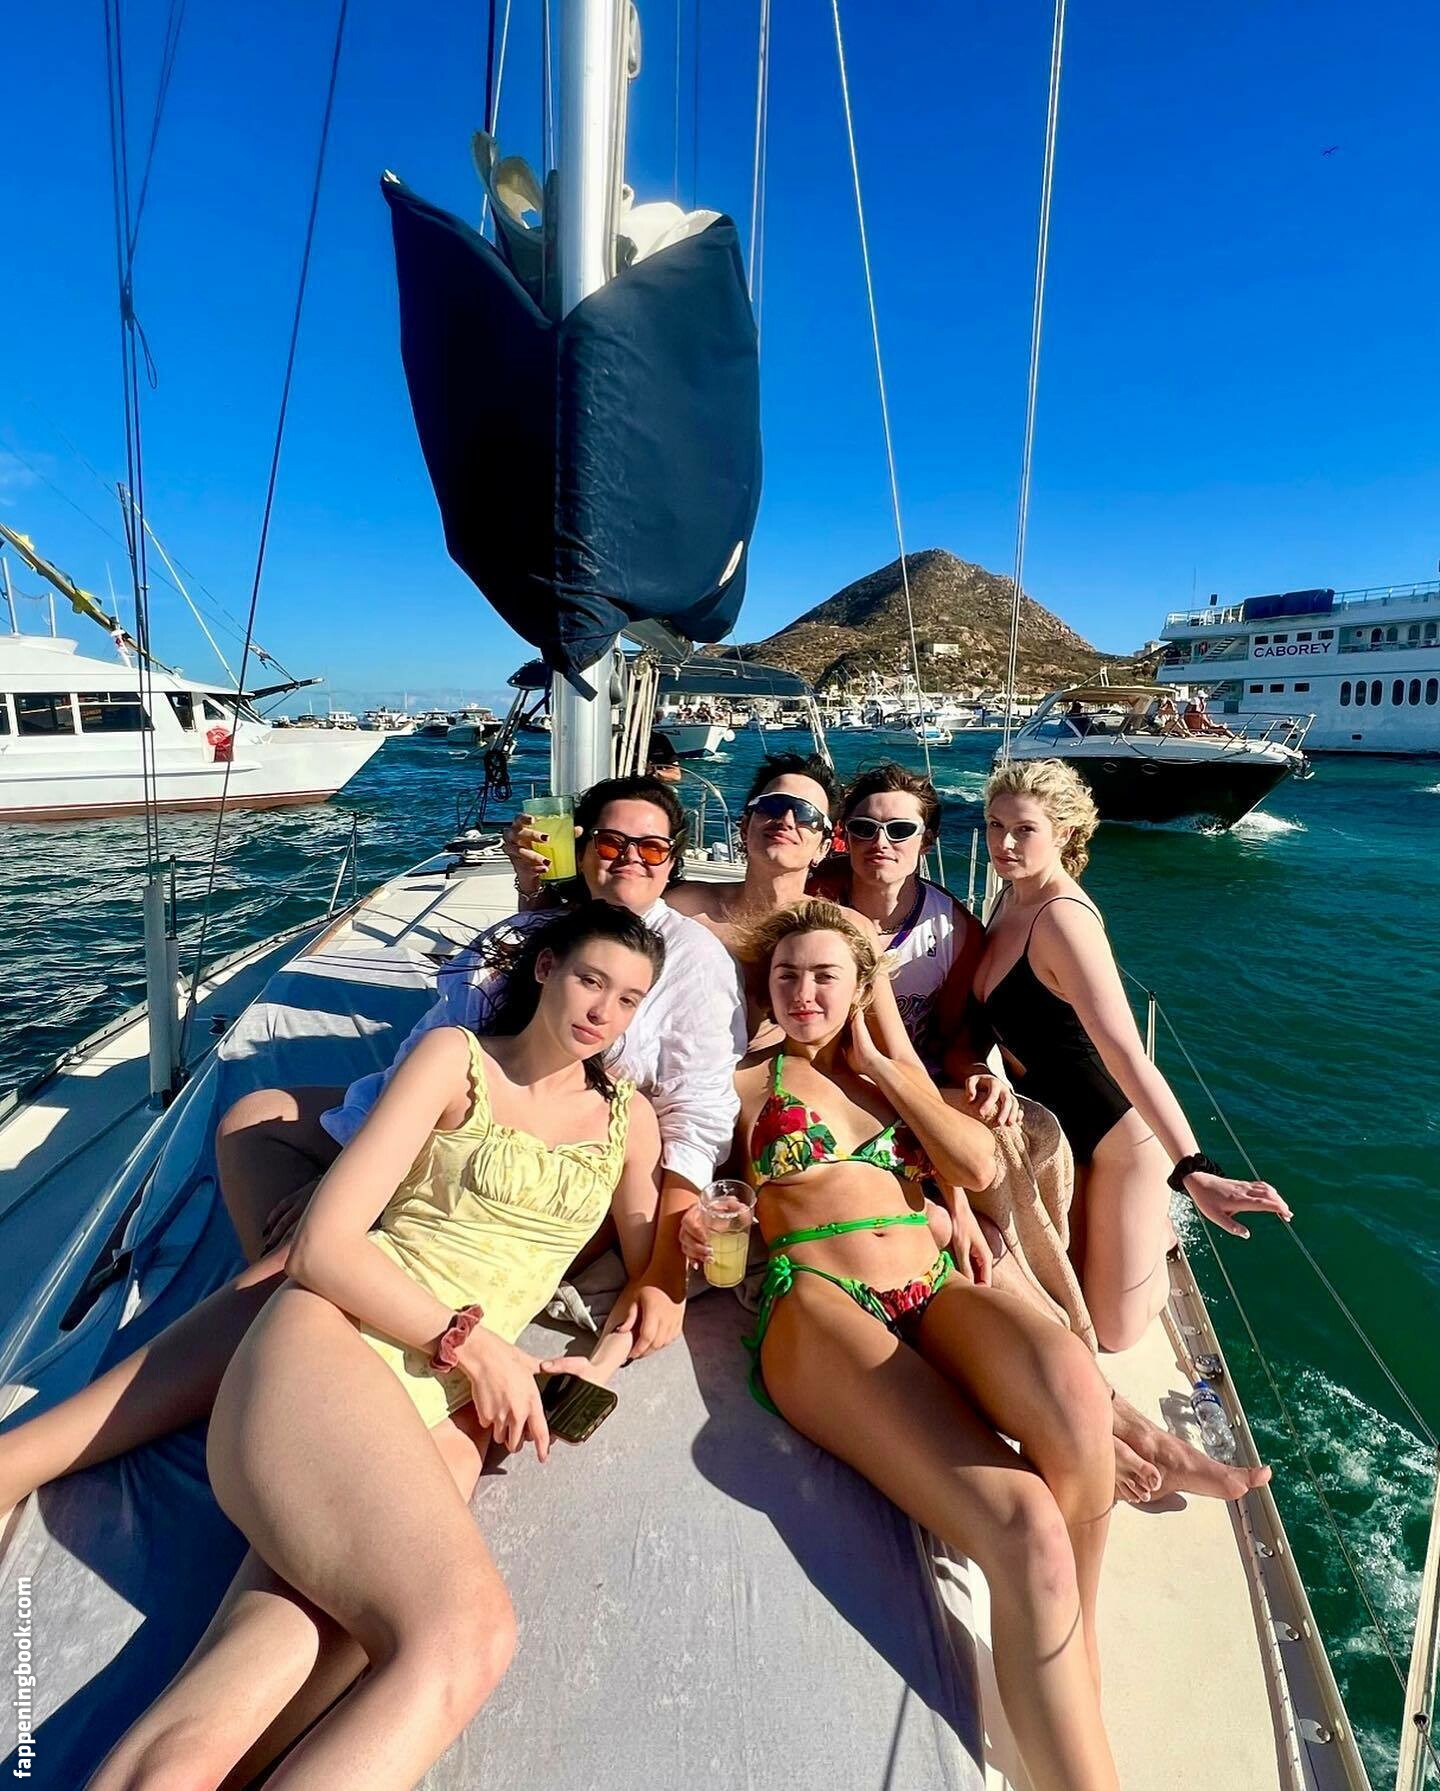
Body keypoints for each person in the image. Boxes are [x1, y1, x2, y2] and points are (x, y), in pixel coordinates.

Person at [0, 778, 744, 1548]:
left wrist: (661, 1267)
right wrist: (360, 1166)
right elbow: (437, 1050)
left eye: (651, 847)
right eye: (612, 841)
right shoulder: (536, 929)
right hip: (451, 1141)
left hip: (552, 1179)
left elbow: (697, 1114)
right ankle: (303, 1350)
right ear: (582, 845)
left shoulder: (687, 960)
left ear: (673, 859)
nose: (629, 859)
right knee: (257, 1126)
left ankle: (62, 1442)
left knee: (295, 1268)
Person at [86, 904, 667, 1791]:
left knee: (280, 1663)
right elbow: (323, 1247)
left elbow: (652, 1275)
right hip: (337, 1347)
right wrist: (477, 1347)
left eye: (628, 999)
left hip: (445, 1410)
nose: (604, 1011)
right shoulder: (454, 1058)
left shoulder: (629, 1118)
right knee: (463, 1635)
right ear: (546, 967)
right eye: (591, 980)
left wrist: (599, 1358)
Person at [687, 901, 1120, 1791]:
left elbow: (979, 1166)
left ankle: (1073, 1649)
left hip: (931, 1286)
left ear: (862, 988)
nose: (803, 992)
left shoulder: (891, 1079)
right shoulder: (743, 1082)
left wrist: (889, 1062)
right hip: (820, 1302)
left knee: (1076, 1391)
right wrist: (689, 1227)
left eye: (826, 976)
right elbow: (676, 1174)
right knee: (1025, 1520)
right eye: (786, 975)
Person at [976, 759, 1291, 1354]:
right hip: (1056, 1128)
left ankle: (1160, 1231)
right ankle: (1145, 1226)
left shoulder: (1063, 921)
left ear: (1064, 834)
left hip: (1118, 1141)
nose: (1004, 843)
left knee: (1112, 1334)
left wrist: (1195, 1168)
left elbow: (1127, 1054)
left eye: (1024, 830)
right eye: (995, 825)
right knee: (1055, 1286)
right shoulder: (1009, 897)